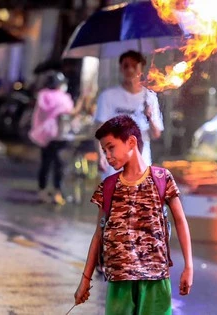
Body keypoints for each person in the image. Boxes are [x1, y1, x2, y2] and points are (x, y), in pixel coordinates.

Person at [74, 115, 193, 314]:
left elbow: (181, 222)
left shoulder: (162, 178)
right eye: (104, 151)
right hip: (120, 279)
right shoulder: (108, 187)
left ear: (131, 142)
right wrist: (85, 280)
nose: (108, 156)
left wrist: (189, 266)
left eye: (111, 148)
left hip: (155, 277)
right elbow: (99, 235)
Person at [94, 50, 164, 179]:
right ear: (120, 68)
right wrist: (101, 156)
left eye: (134, 65)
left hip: (140, 163)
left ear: (141, 68)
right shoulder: (108, 96)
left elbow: (156, 134)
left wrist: (149, 116)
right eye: (126, 66)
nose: (130, 70)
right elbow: (99, 130)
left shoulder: (150, 97)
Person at [28, 72, 77, 205]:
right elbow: (70, 112)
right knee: (59, 165)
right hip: (60, 135)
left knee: (45, 164)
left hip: (44, 135)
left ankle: (42, 191)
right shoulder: (63, 98)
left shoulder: (42, 96)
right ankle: (57, 192)